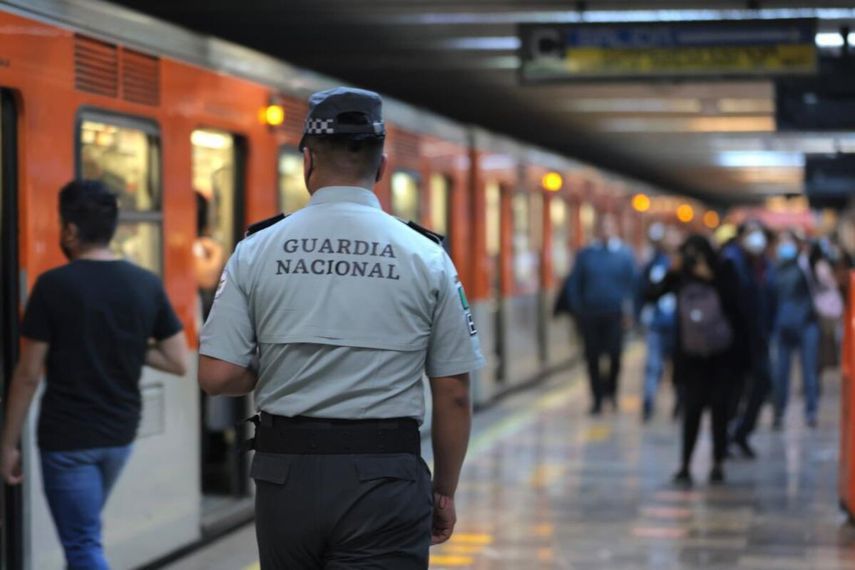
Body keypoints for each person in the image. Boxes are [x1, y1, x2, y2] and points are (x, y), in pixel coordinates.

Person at [197, 87, 484, 569]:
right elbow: (453, 391)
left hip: (285, 477)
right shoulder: (426, 256)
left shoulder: (256, 249)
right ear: (383, 165)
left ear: (307, 160)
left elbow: (217, 376)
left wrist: (280, 367)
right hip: (385, 479)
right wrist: (443, 492)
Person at [0, 180, 187, 569]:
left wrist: (7, 443)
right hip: (120, 434)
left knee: (82, 544)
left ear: (69, 230)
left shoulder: (53, 286)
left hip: (68, 441)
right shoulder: (145, 283)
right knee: (84, 533)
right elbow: (177, 361)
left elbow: (28, 375)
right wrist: (130, 345)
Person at [648, 235, 740, 485]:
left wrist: (711, 276)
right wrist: (671, 272)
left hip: (722, 356)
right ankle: (686, 464)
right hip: (692, 358)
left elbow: (739, 305)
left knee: (720, 411)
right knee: (692, 411)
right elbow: (651, 294)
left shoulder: (724, 270)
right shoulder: (681, 274)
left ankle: (718, 462)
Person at [565, 213, 637, 415]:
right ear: (597, 230)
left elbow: (633, 285)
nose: (605, 231)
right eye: (602, 227)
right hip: (591, 315)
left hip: (615, 314)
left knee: (615, 356)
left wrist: (630, 312)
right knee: (592, 358)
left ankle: (611, 393)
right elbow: (574, 283)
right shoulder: (586, 254)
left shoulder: (624, 254)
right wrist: (578, 310)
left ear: (614, 229)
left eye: (609, 227)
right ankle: (596, 398)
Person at [723, 221, 777, 458]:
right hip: (736, 340)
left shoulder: (763, 264)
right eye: (751, 234)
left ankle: (741, 433)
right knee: (734, 391)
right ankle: (724, 438)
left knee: (763, 384)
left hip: (758, 337)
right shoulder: (731, 261)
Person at [771, 230, 820, 429]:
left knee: (809, 371)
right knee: (781, 373)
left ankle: (811, 412)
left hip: (806, 324)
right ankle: (779, 412)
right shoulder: (773, 269)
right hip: (783, 327)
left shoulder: (806, 265)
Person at [637, 223, 679, 422]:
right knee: (653, 365)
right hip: (657, 324)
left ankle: (681, 403)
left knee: (678, 368)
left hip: (680, 326)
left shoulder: (685, 262)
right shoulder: (654, 263)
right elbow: (644, 290)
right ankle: (648, 402)